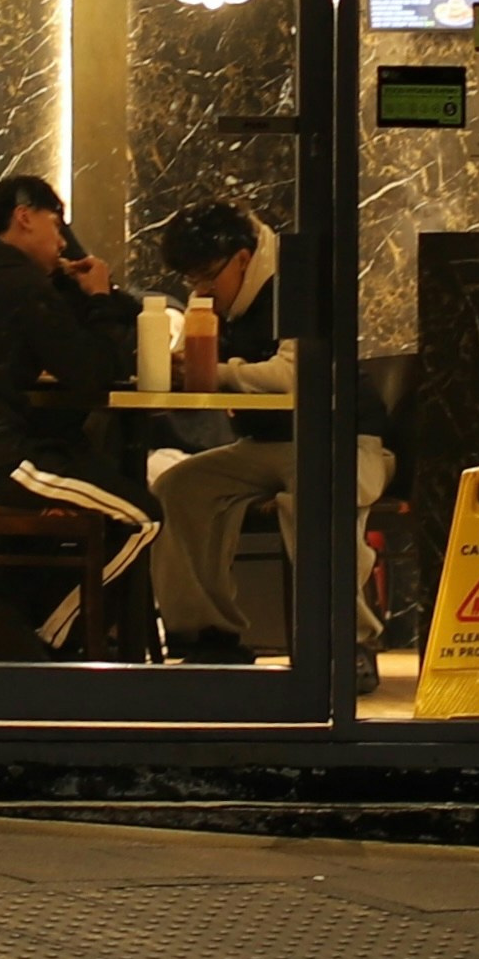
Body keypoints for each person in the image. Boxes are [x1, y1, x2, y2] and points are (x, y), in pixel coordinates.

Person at [0, 174, 141, 501]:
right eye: (57, 225)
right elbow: (95, 374)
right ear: (25, 217)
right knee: (144, 515)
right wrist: (100, 297)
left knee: (45, 526)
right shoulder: (22, 283)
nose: (63, 243)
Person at [144, 198, 297, 660]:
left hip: (333, 439)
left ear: (243, 258)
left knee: (309, 499)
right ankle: (204, 632)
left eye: (208, 277)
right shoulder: (219, 302)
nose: (201, 290)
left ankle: (348, 643)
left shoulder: (294, 283)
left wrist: (222, 373)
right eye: (191, 281)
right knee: (181, 485)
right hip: (264, 443)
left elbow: (294, 375)